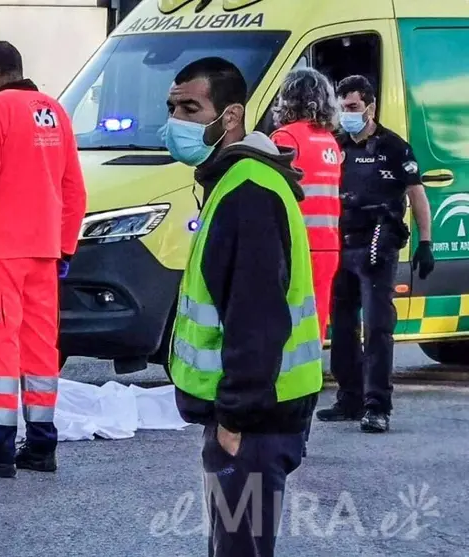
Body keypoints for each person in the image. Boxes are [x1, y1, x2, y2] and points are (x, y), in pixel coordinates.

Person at [164, 57, 322, 557]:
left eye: (191, 108)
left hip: (255, 417)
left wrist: (234, 420)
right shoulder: (238, 180)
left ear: (231, 116)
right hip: (256, 411)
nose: (177, 120)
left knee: (240, 548)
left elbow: (257, 318)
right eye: (172, 106)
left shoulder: (248, 191)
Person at [0, 41, 87, 478]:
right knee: (41, 349)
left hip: (0, 254)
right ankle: (41, 445)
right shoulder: (56, 112)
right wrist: (64, 247)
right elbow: (74, 189)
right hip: (44, 254)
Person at [316, 75, 435, 433]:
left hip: (377, 243)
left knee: (378, 326)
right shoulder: (335, 146)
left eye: (352, 107)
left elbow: (417, 196)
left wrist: (425, 243)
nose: (347, 114)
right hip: (342, 241)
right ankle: (349, 398)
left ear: (370, 106)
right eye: (342, 108)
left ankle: (376, 405)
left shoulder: (394, 147)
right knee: (343, 325)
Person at [269, 68, 342, 455]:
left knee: (285, 339)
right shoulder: (329, 141)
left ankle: (285, 422)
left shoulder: (285, 139)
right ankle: (305, 427)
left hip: (297, 250)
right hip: (328, 248)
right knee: (312, 342)